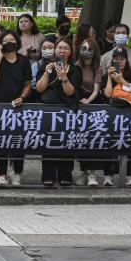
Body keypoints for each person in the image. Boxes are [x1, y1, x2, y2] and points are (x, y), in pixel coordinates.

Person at [0, 30, 32, 187]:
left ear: (17, 43)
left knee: (18, 141)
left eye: (12, 39)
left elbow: (27, 84)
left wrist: (23, 98)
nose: (9, 42)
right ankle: (3, 174)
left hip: (18, 107)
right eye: (6, 40)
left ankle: (17, 174)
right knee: (0, 141)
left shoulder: (24, 61)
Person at [35, 39, 81, 188]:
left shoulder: (75, 69)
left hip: (67, 111)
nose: (62, 50)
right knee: (48, 142)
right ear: (55, 50)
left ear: (70, 52)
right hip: (49, 111)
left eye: (66, 48)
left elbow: (70, 92)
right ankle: (48, 175)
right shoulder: (45, 66)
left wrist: (64, 77)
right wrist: (47, 73)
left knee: (66, 142)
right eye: (59, 47)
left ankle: (65, 174)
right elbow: (40, 89)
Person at [102, 48, 131, 187]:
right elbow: (107, 94)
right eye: (116, 59)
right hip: (111, 115)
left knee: (129, 144)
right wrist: (109, 77)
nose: (119, 61)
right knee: (108, 143)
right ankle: (108, 175)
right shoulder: (107, 74)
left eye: (122, 59)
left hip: (128, 115)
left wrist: (121, 80)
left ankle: (130, 175)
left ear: (126, 60)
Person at [75, 38, 103, 187]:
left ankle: (92, 174)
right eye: (83, 48)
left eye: (89, 49)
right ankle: (84, 172)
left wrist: (88, 100)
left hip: (93, 104)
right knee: (81, 141)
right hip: (78, 103)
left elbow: (96, 89)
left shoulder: (97, 67)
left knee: (93, 140)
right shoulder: (76, 65)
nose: (86, 51)